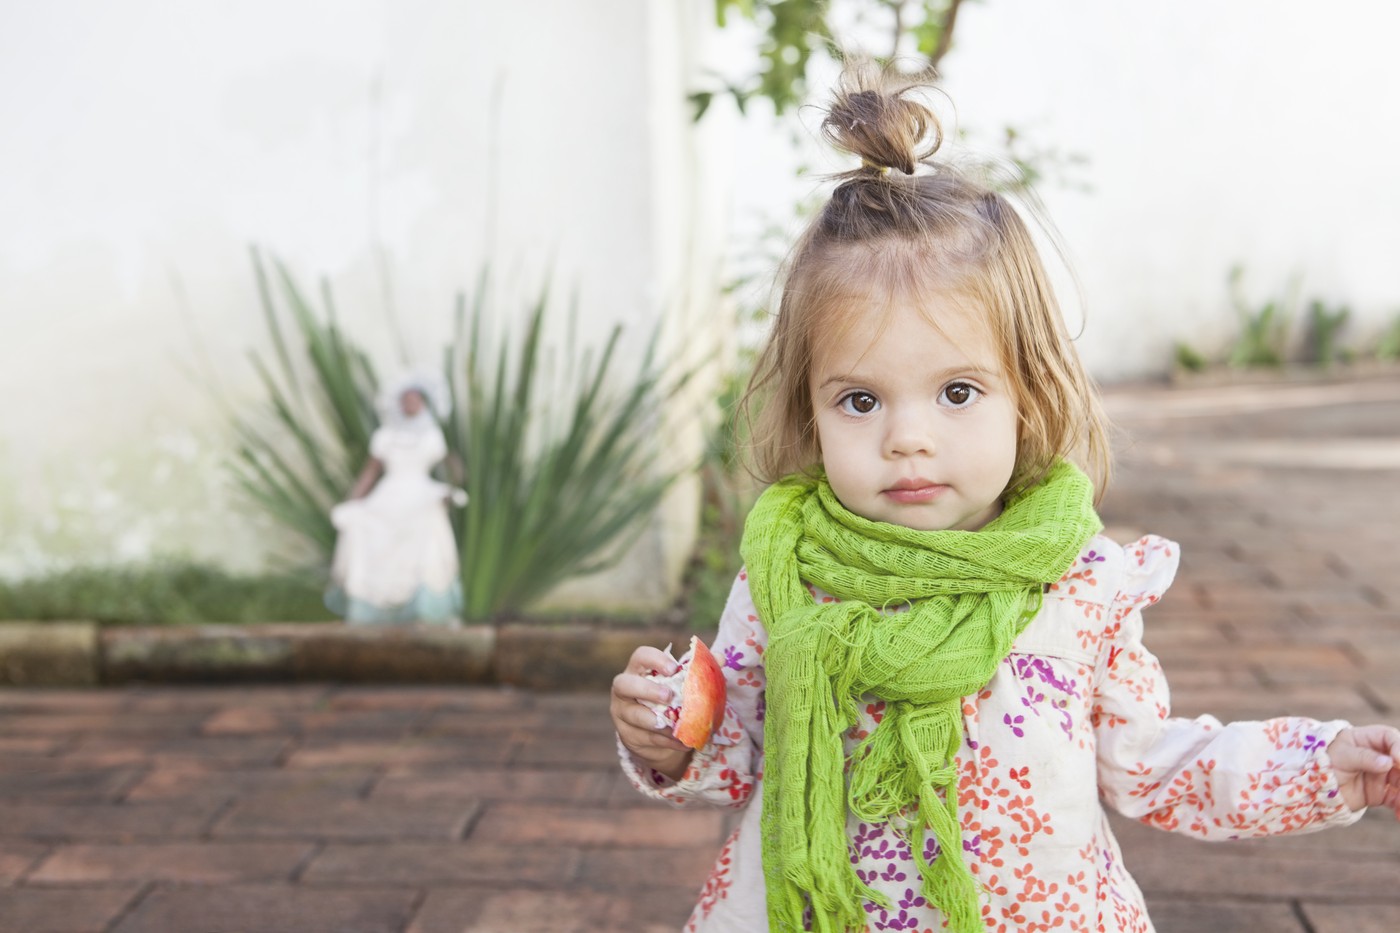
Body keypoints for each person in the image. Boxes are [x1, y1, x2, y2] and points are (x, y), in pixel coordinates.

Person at [609, 62, 1400, 933]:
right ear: (810, 409)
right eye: (860, 399)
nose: (908, 438)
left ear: (1028, 392)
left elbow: (1151, 763)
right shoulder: (789, 575)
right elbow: (741, 755)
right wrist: (671, 733)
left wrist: (1322, 765)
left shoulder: (1081, 583)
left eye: (956, 392)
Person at [325, 372, 465, 626]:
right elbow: (371, 471)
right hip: (389, 495)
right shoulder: (385, 437)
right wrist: (352, 501)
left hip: (420, 496)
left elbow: (449, 465)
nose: (410, 404)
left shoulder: (432, 435)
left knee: (424, 543)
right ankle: (375, 609)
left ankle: (422, 608)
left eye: (415, 399)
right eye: (406, 399)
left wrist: (453, 486)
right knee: (365, 528)